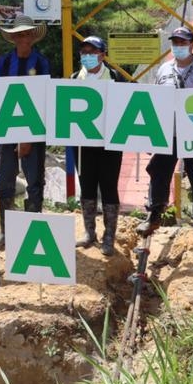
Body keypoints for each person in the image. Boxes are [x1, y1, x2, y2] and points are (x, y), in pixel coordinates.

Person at [141, 27, 193, 237]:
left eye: (183, 42)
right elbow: (154, 101)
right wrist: (149, 135)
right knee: (158, 172)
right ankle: (154, 216)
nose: (178, 46)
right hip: (167, 132)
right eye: (175, 43)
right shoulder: (163, 69)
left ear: (192, 44)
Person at [0, 15, 51, 224]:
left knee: (35, 181)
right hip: (7, 128)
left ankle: (33, 227)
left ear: (32, 37)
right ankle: (6, 229)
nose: (23, 38)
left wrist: (27, 137)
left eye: (27, 33)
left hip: (35, 129)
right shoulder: (5, 62)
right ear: (14, 37)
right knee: (5, 181)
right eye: (20, 34)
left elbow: (43, 98)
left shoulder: (42, 62)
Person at [73, 36, 126, 256]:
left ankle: (109, 236)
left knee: (109, 187)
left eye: (92, 51)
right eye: (84, 52)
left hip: (109, 144)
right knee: (86, 186)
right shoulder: (74, 79)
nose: (87, 56)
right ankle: (89, 232)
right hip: (83, 144)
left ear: (103, 55)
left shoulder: (116, 78)